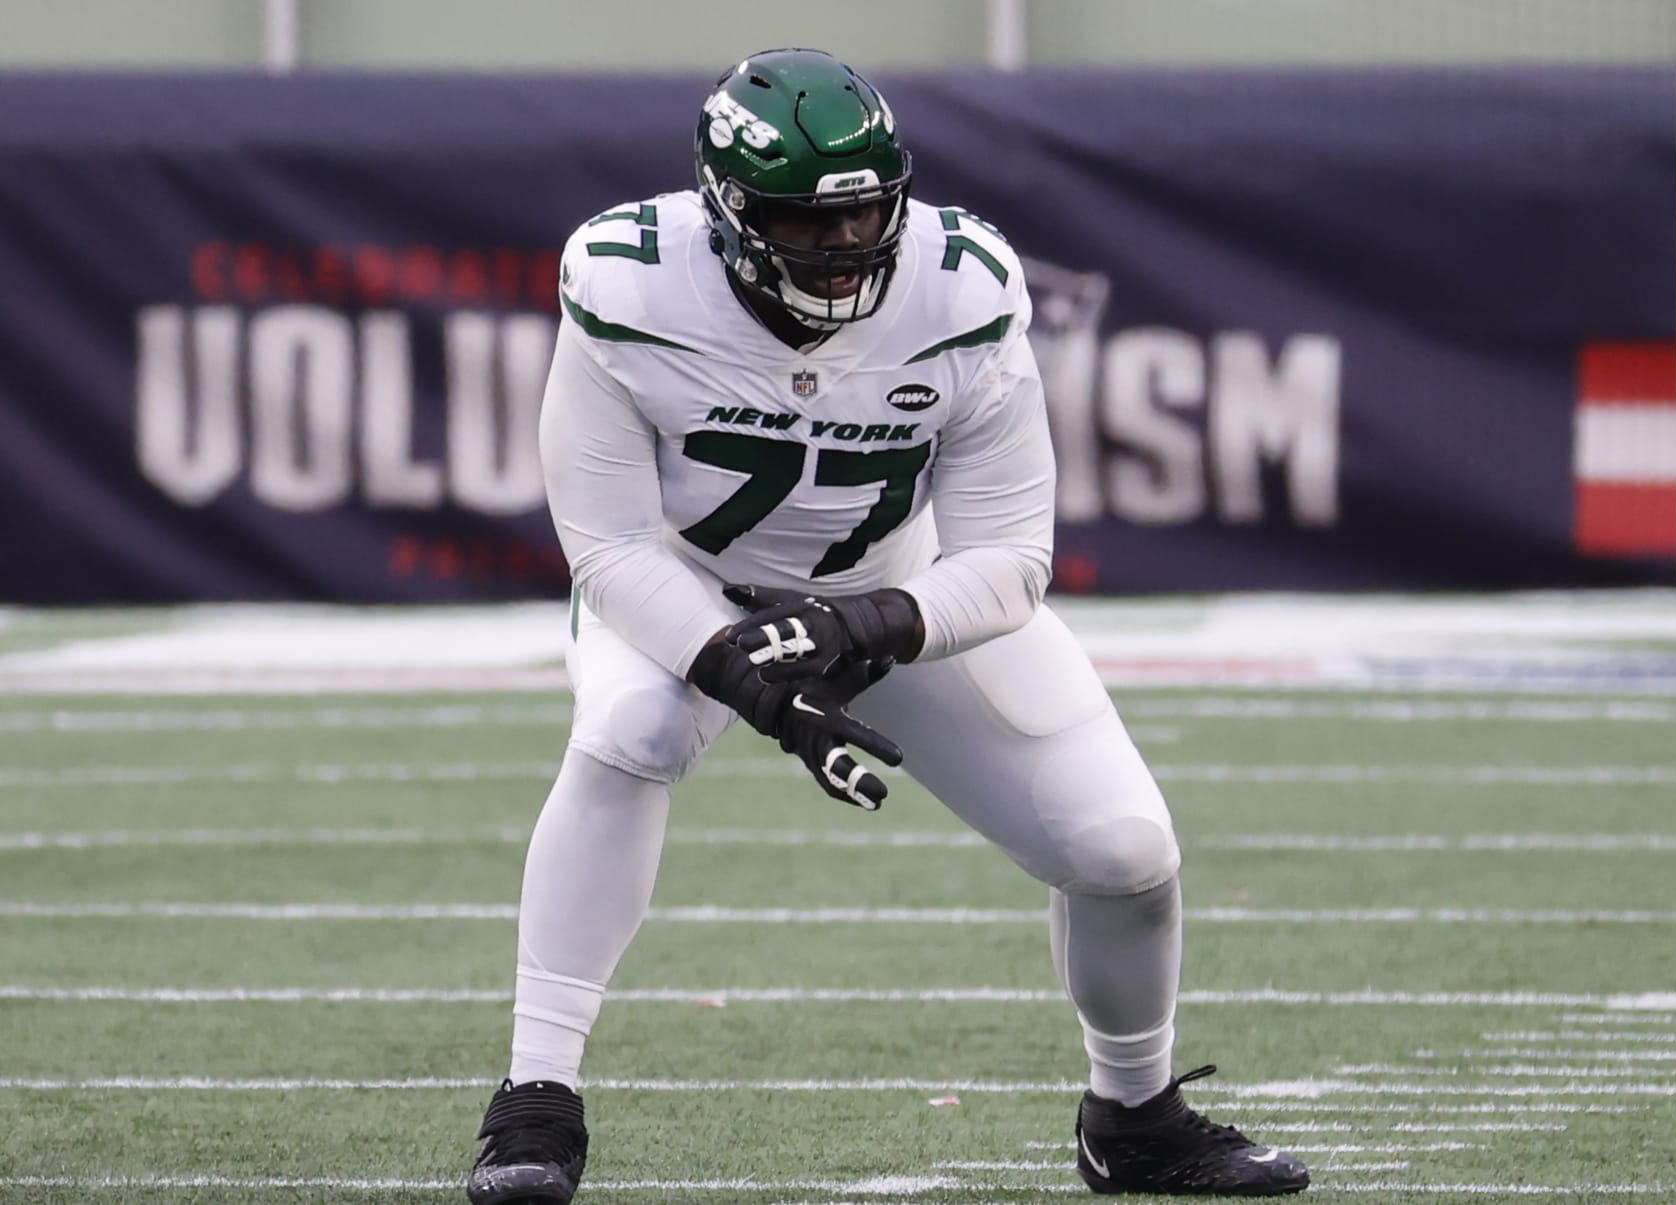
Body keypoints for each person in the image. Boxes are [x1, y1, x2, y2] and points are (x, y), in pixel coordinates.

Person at [465, 47, 1310, 1202]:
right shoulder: (627, 281)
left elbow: (1012, 561)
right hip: (688, 580)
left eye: (863, 216)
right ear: (727, 217)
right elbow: (607, 546)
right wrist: (740, 667)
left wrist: (862, 625)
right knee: (634, 725)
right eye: (806, 228)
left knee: (1125, 851)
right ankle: (535, 1102)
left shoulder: (963, 286)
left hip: (893, 590)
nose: (844, 248)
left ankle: (1135, 1115)